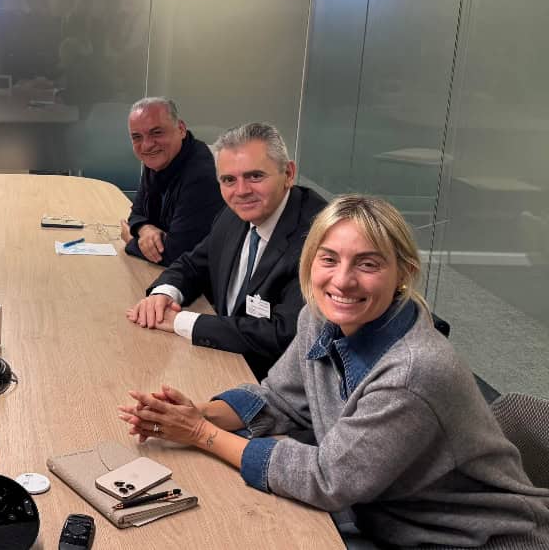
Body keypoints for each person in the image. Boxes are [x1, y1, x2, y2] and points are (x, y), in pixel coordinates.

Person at [118, 195, 549, 548]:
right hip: (384, 515)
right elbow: (281, 398)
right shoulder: (320, 317)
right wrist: (196, 413)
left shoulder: (412, 372)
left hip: (470, 540)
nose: (342, 281)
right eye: (329, 259)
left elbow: (327, 479)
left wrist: (200, 434)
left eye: (368, 264)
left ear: (404, 273)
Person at [127, 122, 325, 379]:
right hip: (221, 361)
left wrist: (182, 322)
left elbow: (285, 334)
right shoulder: (233, 214)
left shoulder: (319, 237)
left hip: (272, 383)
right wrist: (164, 294)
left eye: (255, 176)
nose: (241, 191)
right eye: (229, 180)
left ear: (288, 174)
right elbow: (193, 264)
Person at [119, 97, 223, 265]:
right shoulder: (159, 160)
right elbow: (137, 213)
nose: (146, 145)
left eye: (156, 133)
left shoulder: (201, 175)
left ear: (181, 129)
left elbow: (178, 253)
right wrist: (145, 229)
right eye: (137, 137)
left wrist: (131, 240)